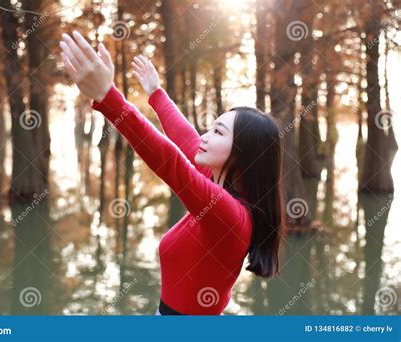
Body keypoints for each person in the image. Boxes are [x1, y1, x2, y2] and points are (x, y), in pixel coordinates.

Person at [59, 31, 285, 315]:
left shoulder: (228, 214)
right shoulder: (222, 189)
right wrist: (156, 93)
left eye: (217, 132)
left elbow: (168, 160)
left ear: (242, 153)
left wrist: (109, 97)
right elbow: (186, 138)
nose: (204, 136)